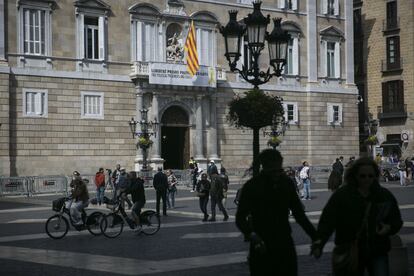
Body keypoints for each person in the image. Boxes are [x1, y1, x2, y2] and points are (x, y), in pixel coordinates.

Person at [312, 157, 403, 276]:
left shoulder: (384, 196)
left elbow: (396, 219)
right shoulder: (343, 195)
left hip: (377, 249)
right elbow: (327, 220)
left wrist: (389, 228)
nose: (367, 179)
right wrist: (319, 243)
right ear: (355, 175)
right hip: (349, 249)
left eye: (371, 176)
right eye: (363, 176)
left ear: (375, 176)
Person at [236, 149, 318, 276]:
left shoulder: (286, 184)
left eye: (279, 170)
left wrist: (315, 237)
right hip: (262, 243)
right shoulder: (252, 186)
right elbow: (240, 218)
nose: (277, 174)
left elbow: (299, 214)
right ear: (265, 166)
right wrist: (252, 235)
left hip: (283, 242)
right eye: (273, 170)